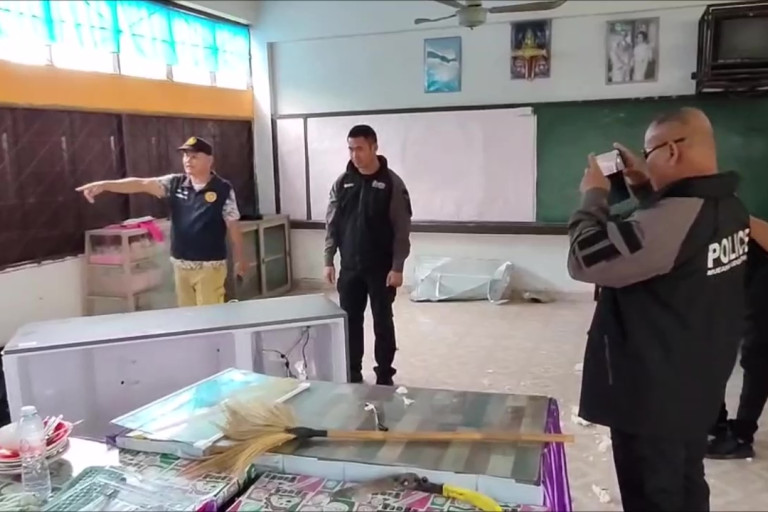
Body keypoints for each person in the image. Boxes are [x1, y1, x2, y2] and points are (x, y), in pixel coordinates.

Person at [567, 107, 749, 511]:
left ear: (671, 151)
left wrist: (593, 195)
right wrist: (643, 185)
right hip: (695, 383)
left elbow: (585, 259)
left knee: (653, 494)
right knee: (686, 482)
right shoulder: (730, 207)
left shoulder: (675, 221)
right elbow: (669, 238)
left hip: (651, 394)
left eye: (649, 153)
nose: (646, 161)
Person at [76, 136, 246, 307]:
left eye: (194, 156)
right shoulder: (175, 183)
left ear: (209, 160)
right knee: (187, 315)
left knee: (209, 315)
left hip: (210, 266)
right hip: (181, 265)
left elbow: (233, 225)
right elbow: (141, 184)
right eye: (185, 156)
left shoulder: (223, 189)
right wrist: (105, 185)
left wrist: (240, 259)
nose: (188, 161)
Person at [323, 125, 412, 386]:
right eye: (351, 149)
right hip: (350, 267)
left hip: (381, 268)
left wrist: (398, 266)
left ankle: (384, 375)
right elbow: (332, 224)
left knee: (382, 322)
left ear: (374, 147)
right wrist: (328, 259)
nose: (355, 155)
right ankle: (352, 373)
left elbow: (401, 228)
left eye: (360, 149)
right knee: (350, 321)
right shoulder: (343, 183)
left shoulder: (392, 183)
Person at [707, 215, 768, 459]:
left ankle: (742, 433)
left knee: (757, 354)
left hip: (758, 275)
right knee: (715, 344)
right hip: (733, 272)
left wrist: (739, 216)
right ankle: (717, 423)